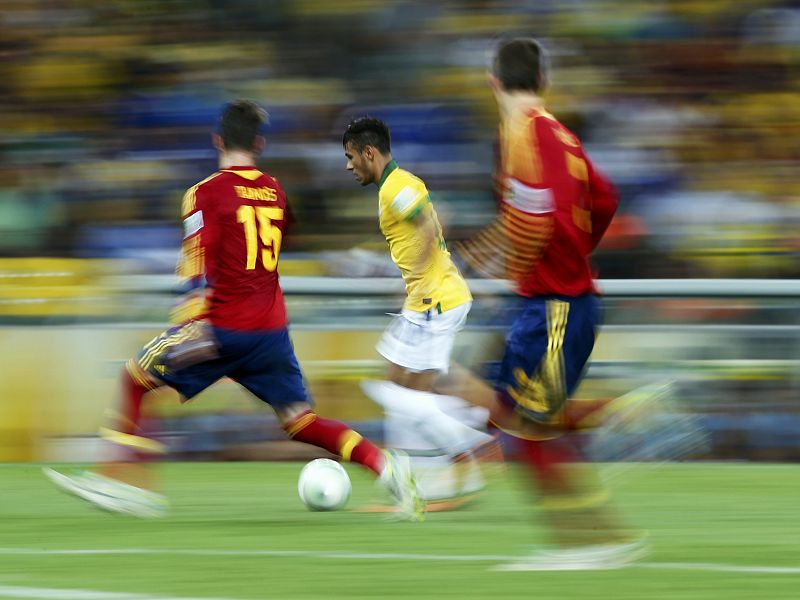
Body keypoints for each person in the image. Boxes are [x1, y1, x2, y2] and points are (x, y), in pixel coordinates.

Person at [44, 100, 424, 522]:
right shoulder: (276, 190)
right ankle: (385, 466)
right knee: (300, 420)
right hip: (270, 332)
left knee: (135, 378)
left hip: (222, 326)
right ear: (259, 144)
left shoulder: (204, 193)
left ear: (217, 141)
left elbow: (196, 262)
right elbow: (278, 242)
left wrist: (190, 323)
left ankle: (125, 484)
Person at [452, 37, 647, 569]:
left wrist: (495, 260)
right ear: (544, 81)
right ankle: (618, 421)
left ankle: (594, 543)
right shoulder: (558, 133)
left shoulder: (524, 136)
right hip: (547, 303)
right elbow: (604, 198)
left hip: (556, 306)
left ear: (493, 81)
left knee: (524, 428)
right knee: (509, 415)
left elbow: (540, 221)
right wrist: (571, 253)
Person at [342, 117, 496, 510]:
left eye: (351, 156)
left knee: (403, 396)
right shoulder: (397, 185)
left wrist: (422, 282)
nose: (348, 165)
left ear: (369, 153)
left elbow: (430, 223)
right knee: (397, 389)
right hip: (428, 302)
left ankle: (468, 447)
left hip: (433, 304)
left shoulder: (396, 187)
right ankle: (420, 476)